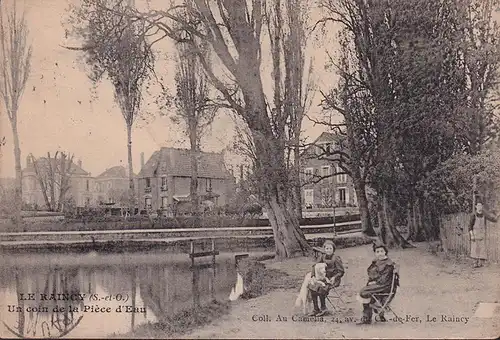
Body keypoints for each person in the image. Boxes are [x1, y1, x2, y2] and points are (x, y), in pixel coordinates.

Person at [356, 241, 396, 325]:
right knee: (366, 291)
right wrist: (371, 281)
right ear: (375, 253)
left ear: (385, 252)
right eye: (377, 252)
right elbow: (371, 273)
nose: (380, 253)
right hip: (378, 284)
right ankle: (368, 315)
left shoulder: (388, 264)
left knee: (363, 292)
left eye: (382, 251)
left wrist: (374, 282)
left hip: (384, 286)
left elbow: (384, 279)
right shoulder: (376, 262)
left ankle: (367, 317)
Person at [308, 240, 345, 316]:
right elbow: (315, 266)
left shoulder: (336, 258)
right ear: (324, 249)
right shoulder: (322, 257)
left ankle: (323, 308)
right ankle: (316, 309)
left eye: (330, 248)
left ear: (333, 249)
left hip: (333, 279)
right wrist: (313, 276)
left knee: (322, 288)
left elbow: (341, 271)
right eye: (327, 248)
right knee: (312, 287)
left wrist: (335, 277)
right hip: (322, 278)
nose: (328, 250)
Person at [468, 201, 498, 268]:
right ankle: (474, 263)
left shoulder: (484, 215)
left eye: (481, 206)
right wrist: (472, 235)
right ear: (476, 207)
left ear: (482, 207)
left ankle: (480, 263)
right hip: (475, 235)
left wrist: (497, 216)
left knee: (482, 248)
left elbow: (492, 219)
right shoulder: (473, 215)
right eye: (478, 206)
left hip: (482, 235)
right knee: (474, 248)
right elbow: (470, 227)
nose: (479, 207)